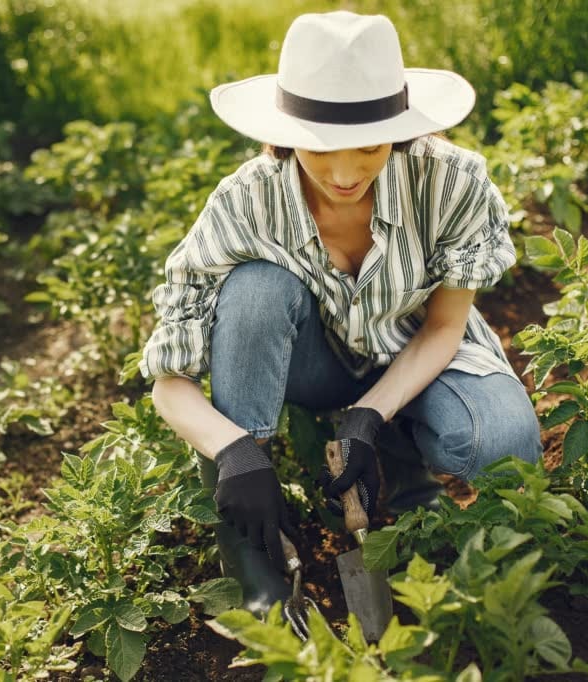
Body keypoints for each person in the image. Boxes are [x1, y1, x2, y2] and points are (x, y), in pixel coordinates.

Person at [139, 11, 543, 615]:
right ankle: (253, 558)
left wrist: (367, 418)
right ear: (284, 133)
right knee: (253, 290)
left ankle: (411, 484)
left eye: (371, 147)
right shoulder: (246, 201)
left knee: (506, 441)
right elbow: (170, 383)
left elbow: (442, 328)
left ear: (401, 130)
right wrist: (234, 452)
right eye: (319, 151)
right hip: (315, 363)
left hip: (417, 348)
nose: (346, 174)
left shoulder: (451, 182)